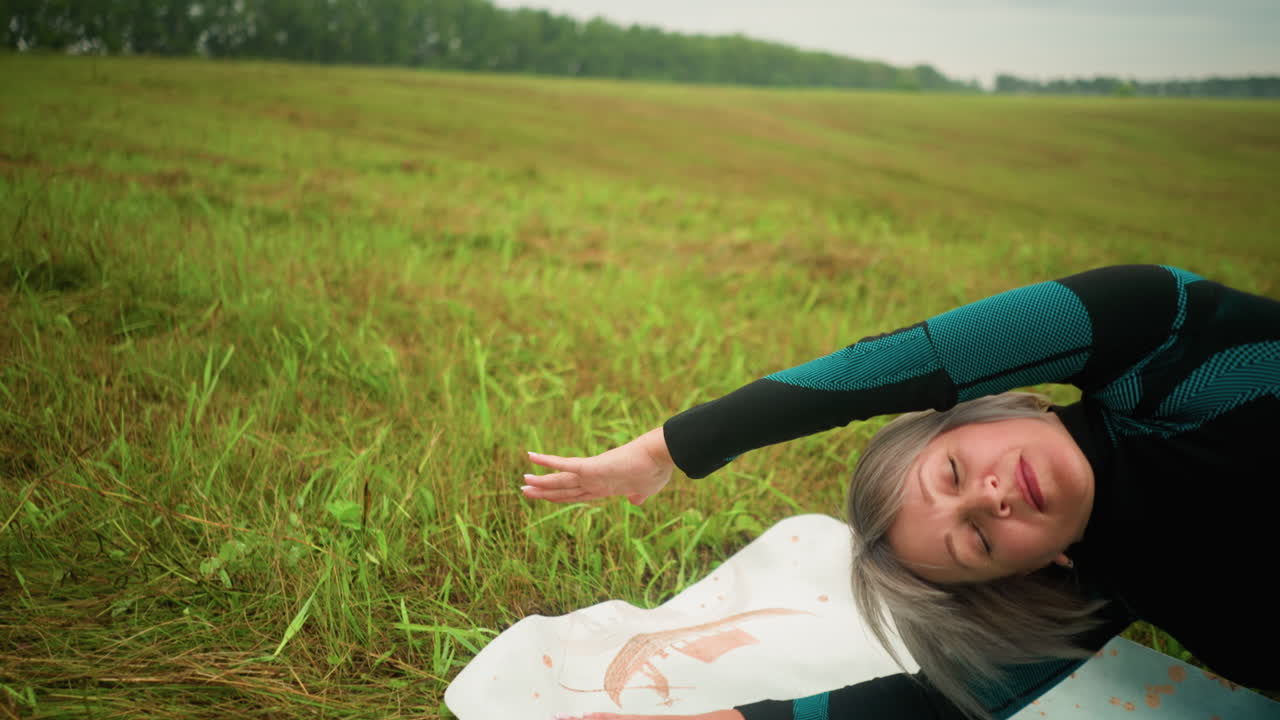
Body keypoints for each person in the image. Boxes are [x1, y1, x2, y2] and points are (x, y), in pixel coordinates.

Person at [522, 265, 1280, 720]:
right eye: (977, 541)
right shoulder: (1103, 584)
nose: (986, 501)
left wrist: (665, 450)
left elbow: (896, 362)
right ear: (1032, 569)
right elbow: (936, 706)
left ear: (992, 405)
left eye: (949, 474)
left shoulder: (1159, 336)